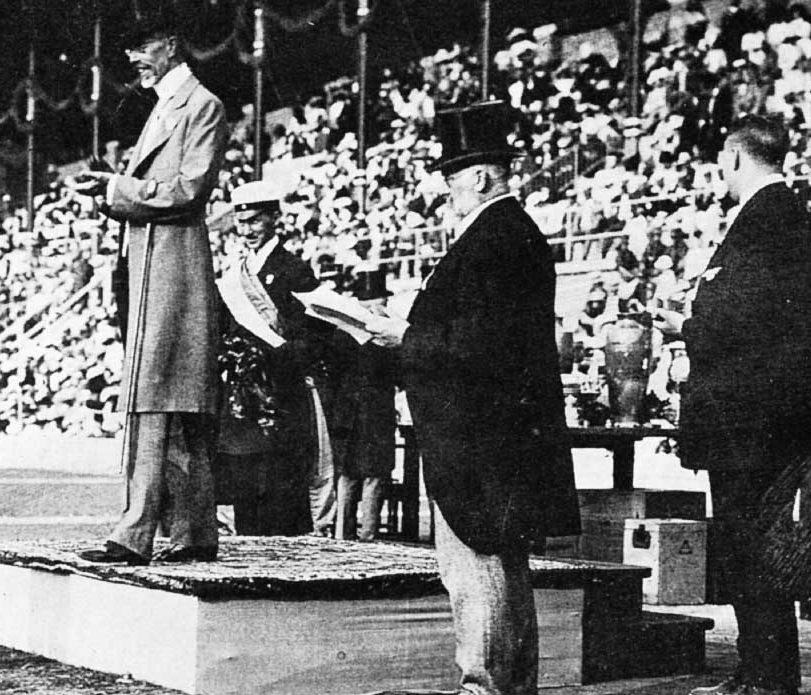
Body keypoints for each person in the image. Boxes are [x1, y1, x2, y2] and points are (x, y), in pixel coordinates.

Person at [363, 101, 580, 694]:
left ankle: (484, 685)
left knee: (477, 567)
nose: (447, 193)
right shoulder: (508, 233)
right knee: (502, 567)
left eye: (451, 179)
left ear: (480, 176)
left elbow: (478, 346)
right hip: (492, 434)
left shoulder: (495, 237)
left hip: (479, 438)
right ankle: (508, 684)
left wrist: (401, 335)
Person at [653, 116, 811, 695]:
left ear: (732, 159)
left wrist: (685, 323)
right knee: (759, 553)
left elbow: (736, 321)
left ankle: (764, 680)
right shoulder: (789, 218)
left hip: (750, 424)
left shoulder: (765, 221)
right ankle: (762, 675)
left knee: (751, 553)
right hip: (769, 421)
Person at [71, 9, 229, 565]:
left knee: (157, 398)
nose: (132, 60)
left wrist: (118, 186)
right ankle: (192, 532)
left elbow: (187, 188)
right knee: (169, 398)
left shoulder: (200, 105)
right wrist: (113, 190)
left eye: (140, 49)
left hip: (173, 262)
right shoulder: (166, 107)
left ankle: (136, 532)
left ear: (169, 45)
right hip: (154, 261)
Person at [211, 180, 334, 536]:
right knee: (247, 491)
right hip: (244, 400)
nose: (247, 229)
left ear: (274, 218)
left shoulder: (293, 268)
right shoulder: (235, 274)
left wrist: (275, 358)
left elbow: (317, 333)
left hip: (283, 396)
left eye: (255, 221)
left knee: (282, 494)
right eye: (242, 221)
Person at [328, 268, 398, 542]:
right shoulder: (382, 337)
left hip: (349, 414)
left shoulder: (342, 333)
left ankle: (342, 535)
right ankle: (367, 536)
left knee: (350, 477)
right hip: (376, 413)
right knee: (372, 477)